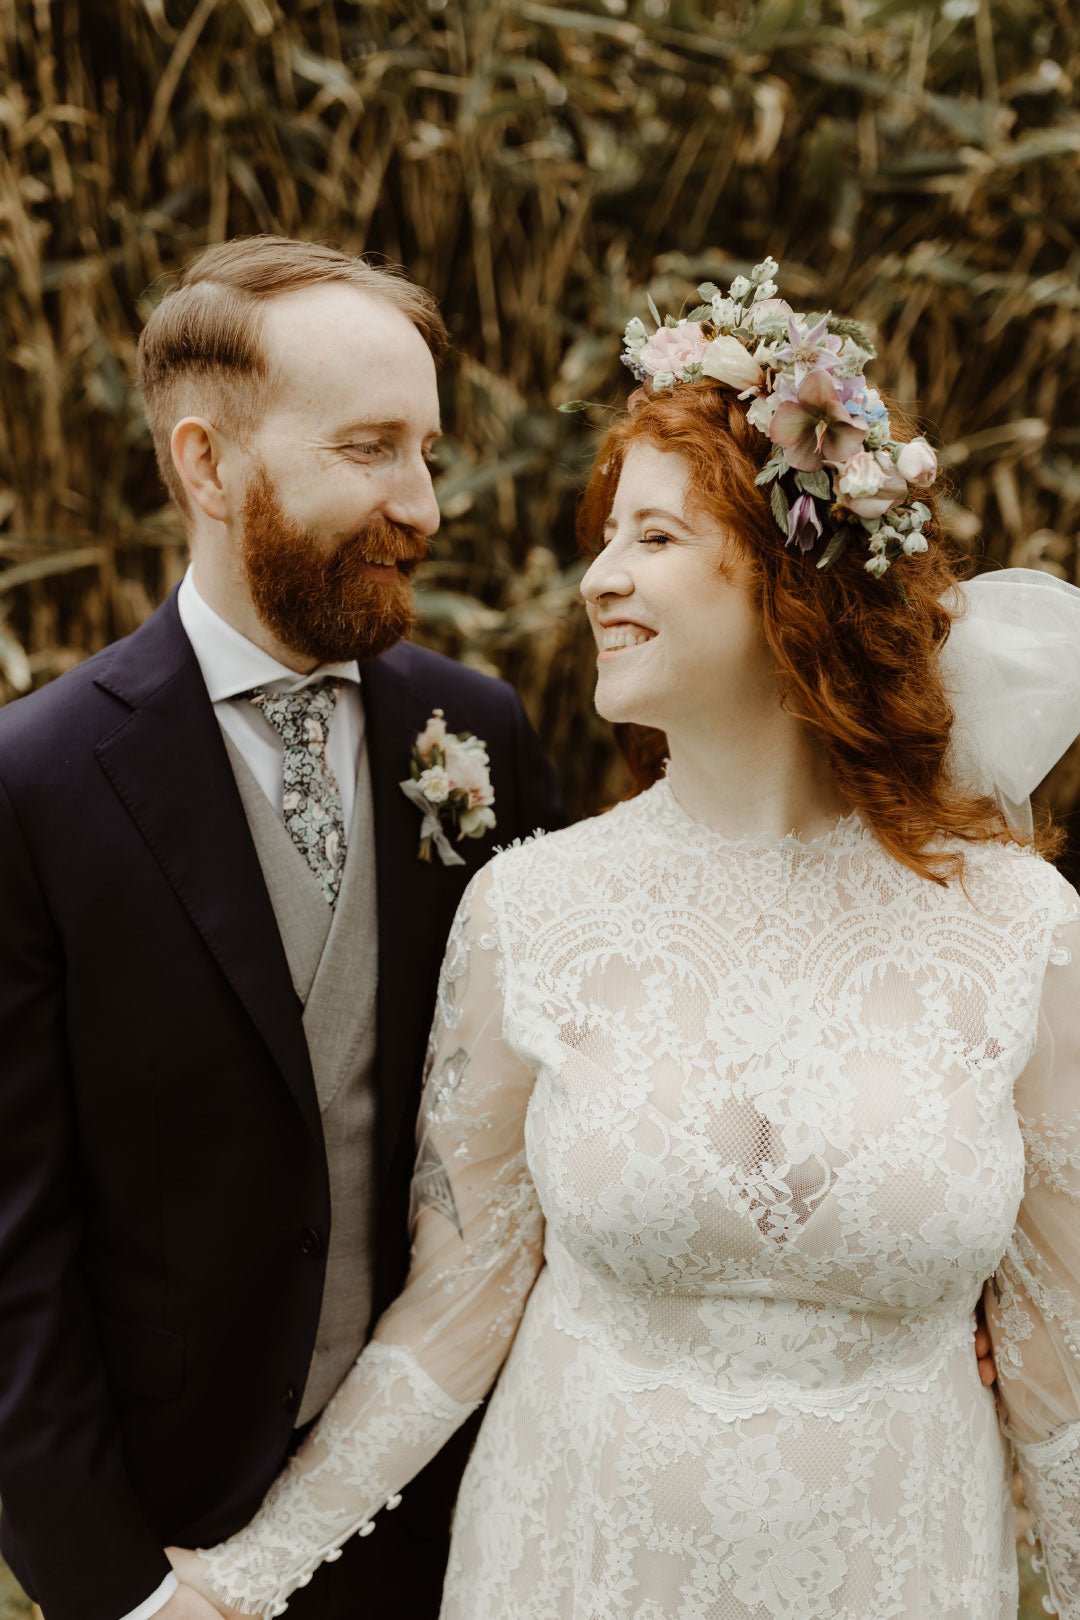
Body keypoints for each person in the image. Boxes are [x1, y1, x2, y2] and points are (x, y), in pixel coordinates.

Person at [167, 260, 1080, 1618]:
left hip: (895, 1572)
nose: (599, 580)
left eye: (652, 538)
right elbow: (454, 1311)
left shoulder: (1017, 927)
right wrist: (242, 1582)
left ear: (793, 571)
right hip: (568, 1564)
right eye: (606, 539)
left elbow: (1060, 1350)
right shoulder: (531, 911)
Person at [0, 236, 564, 1620]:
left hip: (463, 1515)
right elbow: (11, 1250)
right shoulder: (36, 783)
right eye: (371, 449)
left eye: (427, 451)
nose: (422, 507)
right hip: (172, 1535)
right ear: (206, 466)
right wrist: (115, 1592)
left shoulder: (477, 732)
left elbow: (578, 1110)